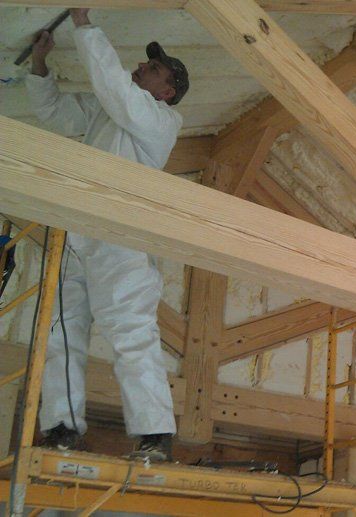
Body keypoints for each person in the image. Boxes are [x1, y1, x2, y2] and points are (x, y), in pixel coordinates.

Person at [25, 8, 189, 462]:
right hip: (76, 237)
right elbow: (55, 112)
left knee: (131, 334)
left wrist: (84, 24)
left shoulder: (161, 123)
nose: (141, 66)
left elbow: (116, 90)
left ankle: (155, 435)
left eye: (152, 69)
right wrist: (40, 64)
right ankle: (61, 427)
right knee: (60, 331)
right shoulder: (106, 111)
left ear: (167, 91)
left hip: (120, 243)